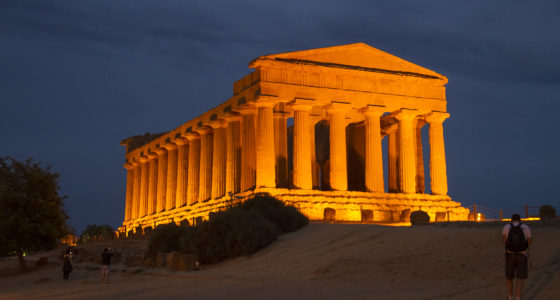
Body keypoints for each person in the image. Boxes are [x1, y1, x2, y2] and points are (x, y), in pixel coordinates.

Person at [502, 214, 532, 300]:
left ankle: (509, 297)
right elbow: (529, 242)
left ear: (512, 220)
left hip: (510, 254)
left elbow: (504, 241)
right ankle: (518, 297)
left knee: (509, 277)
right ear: (520, 220)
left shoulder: (506, 227)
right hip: (522, 254)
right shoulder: (526, 227)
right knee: (520, 278)